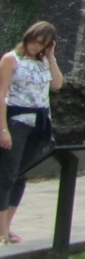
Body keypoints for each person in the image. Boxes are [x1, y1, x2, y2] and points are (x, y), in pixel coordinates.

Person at [0, 21, 64, 245]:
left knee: (22, 175)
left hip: (39, 124)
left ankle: (7, 227)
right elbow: (1, 95)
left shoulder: (44, 63)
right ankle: (1, 231)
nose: (36, 46)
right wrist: (3, 129)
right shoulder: (11, 59)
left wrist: (51, 57)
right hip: (16, 122)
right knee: (7, 175)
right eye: (34, 41)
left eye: (42, 44)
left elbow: (57, 84)